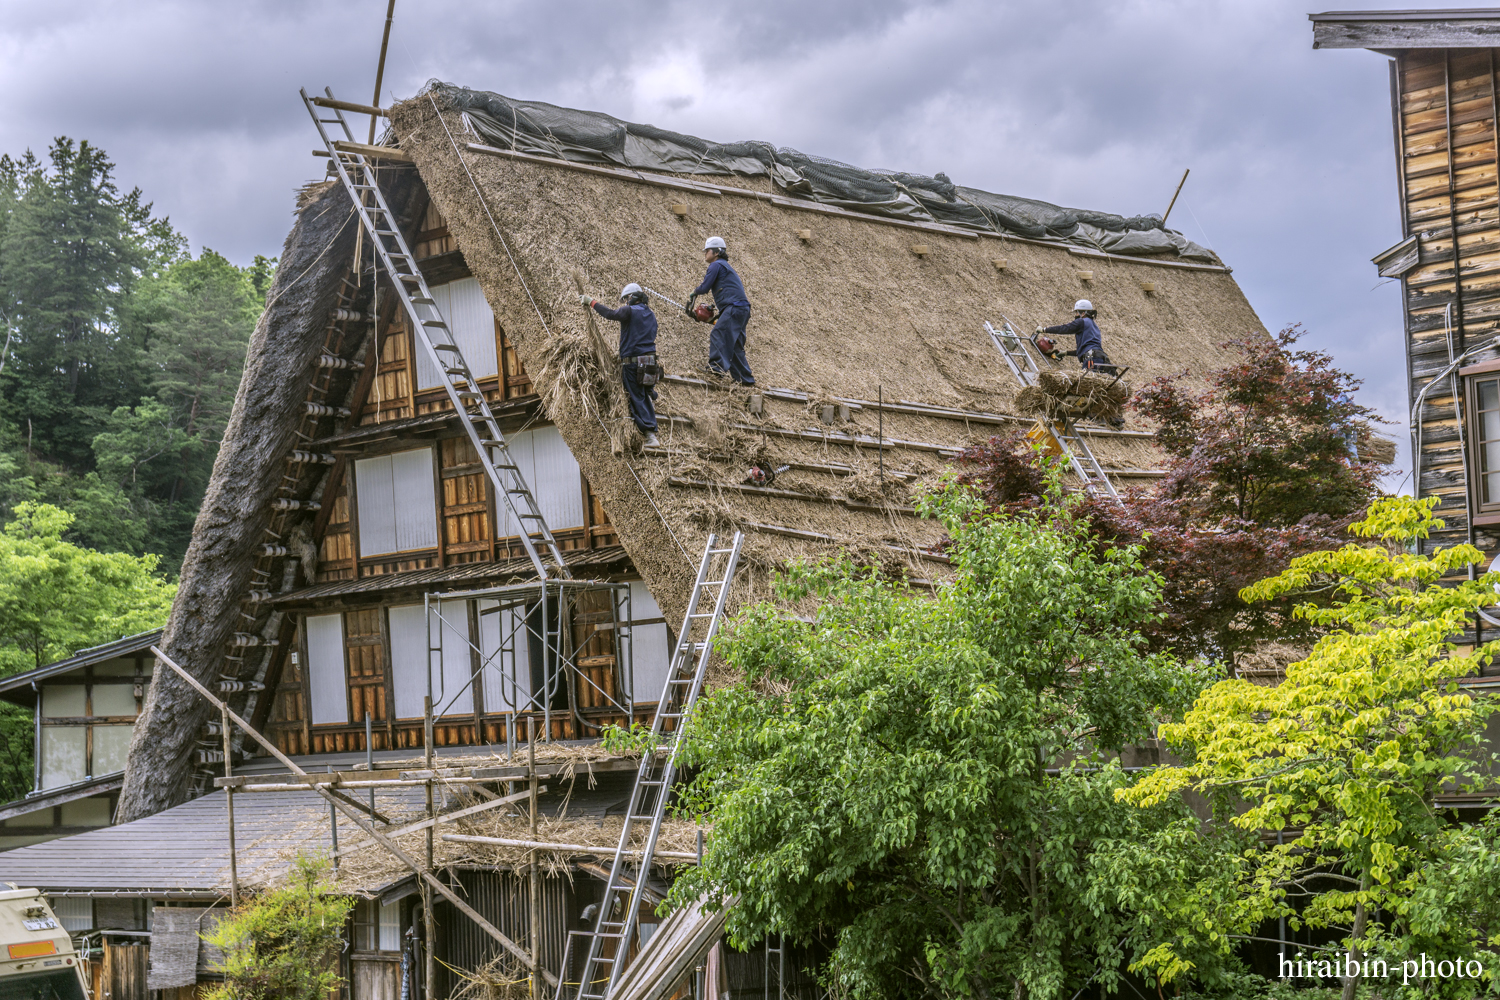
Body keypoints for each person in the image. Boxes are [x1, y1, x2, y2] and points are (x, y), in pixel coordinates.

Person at [580, 282, 661, 447]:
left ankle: (650, 435)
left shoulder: (629, 311)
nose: (625, 302)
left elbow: (609, 314)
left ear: (631, 297)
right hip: (650, 361)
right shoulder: (651, 314)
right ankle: (650, 413)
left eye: (626, 299)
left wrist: (591, 302)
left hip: (633, 363)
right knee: (645, 394)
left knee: (637, 397)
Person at [687, 236, 755, 385]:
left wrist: (694, 293)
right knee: (735, 344)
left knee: (718, 333)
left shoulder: (716, 265)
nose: (705, 253)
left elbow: (705, 287)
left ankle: (716, 369)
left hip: (734, 307)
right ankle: (745, 380)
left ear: (716, 252)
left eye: (707, 250)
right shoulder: (726, 267)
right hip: (741, 309)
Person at [1037, 299, 1117, 374]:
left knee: (1087, 383)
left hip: (1091, 359)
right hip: (1100, 359)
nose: (1076, 315)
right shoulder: (1094, 327)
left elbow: (1065, 328)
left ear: (1083, 313)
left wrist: (1045, 329)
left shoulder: (1082, 322)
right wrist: (1066, 353)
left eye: (1077, 313)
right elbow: (1087, 349)